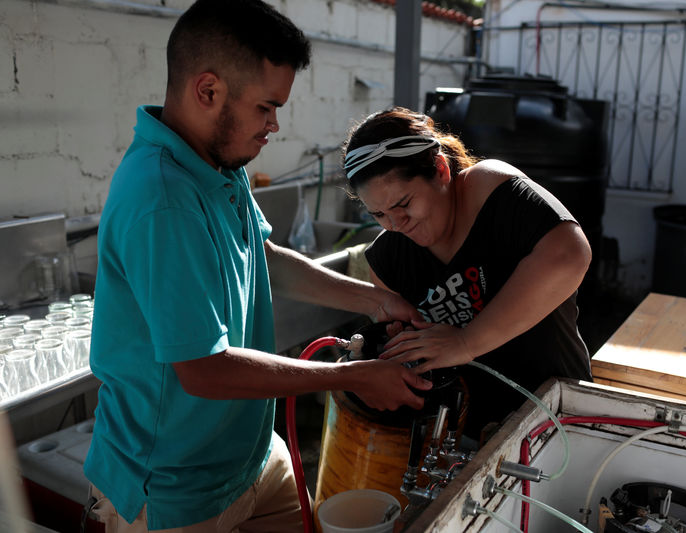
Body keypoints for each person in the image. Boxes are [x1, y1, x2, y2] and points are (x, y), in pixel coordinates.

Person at [82, 2, 431, 531]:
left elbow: (262, 258)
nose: (274, 125)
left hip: (251, 457)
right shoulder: (162, 199)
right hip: (174, 489)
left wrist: (376, 299)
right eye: (266, 107)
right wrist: (354, 375)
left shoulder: (216, 159)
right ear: (208, 91)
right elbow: (205, 369)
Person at [342, 107, 593, 441]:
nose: (396, 224)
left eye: (403, 204)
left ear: (441, 170)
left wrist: (466, 341)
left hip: (559, 413)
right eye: (379, 214)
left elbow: (569, 254)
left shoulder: (487, 188)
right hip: (468, 436)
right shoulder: (387, 260)